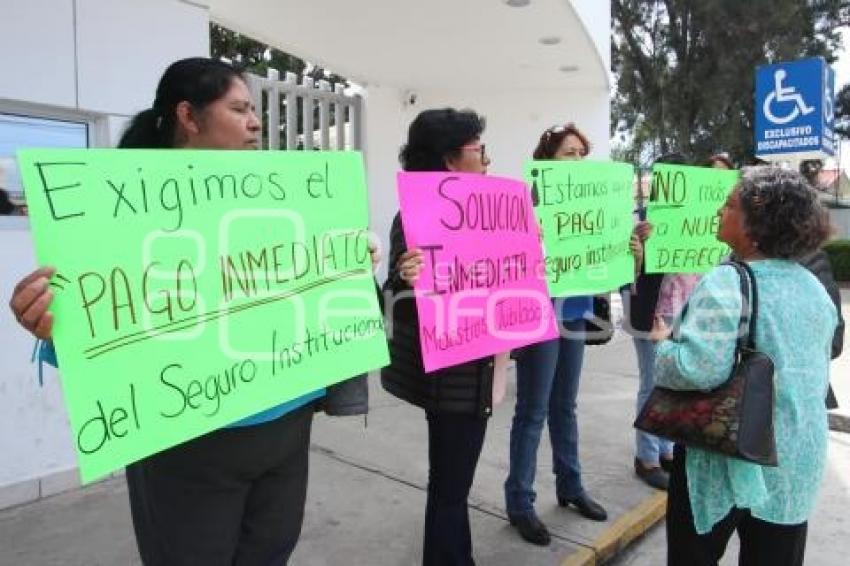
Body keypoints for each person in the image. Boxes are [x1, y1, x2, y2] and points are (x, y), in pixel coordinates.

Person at [9, 57, 376, 565]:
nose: (255, 121)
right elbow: (95, 317)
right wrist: (47, 323)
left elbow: (316, 291)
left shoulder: (285, 197)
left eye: (254, 109)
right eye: (239, 108)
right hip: (188, 439)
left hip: (287, 427)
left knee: (271, 551)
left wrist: (352, 264)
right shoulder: (120, 207)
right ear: (188, 115)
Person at [649, 167, 836, 565]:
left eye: (730, 205)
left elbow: (698, 369)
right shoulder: (813, 288)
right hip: (796, 455)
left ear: (756, 226)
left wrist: (664, 347)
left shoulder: (726, 282)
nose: (719, 210)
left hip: (725, 453)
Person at [381, 108, 504, 565]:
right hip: (452, 377)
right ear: (452, 160)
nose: (487, 160)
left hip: (482, 367)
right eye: (480, 150)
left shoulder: (492, 213)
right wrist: (404, 278)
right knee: (451, 489)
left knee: (454, 485)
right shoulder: (415, 216)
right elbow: (398, 302)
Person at [503, 123, 607, 547]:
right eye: (569, 153)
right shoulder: (526, 201)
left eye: (583, 153)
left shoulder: (591, 199)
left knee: (566, 405)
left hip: (575, 310)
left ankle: (570, 486)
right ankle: (520, 502)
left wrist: (630, 244)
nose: (578, 160)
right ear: (547, 158)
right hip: (537, 312)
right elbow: (505, 255)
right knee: (533, 410)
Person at [625, 152, 694, 491]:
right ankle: (646, 457)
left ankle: (666, 449)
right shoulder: (640, 221)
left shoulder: (696, 221)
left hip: (685, 313)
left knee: (674, 384)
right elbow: (626, 276)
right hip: (651, 313)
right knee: (652, 385)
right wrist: (640, 248)